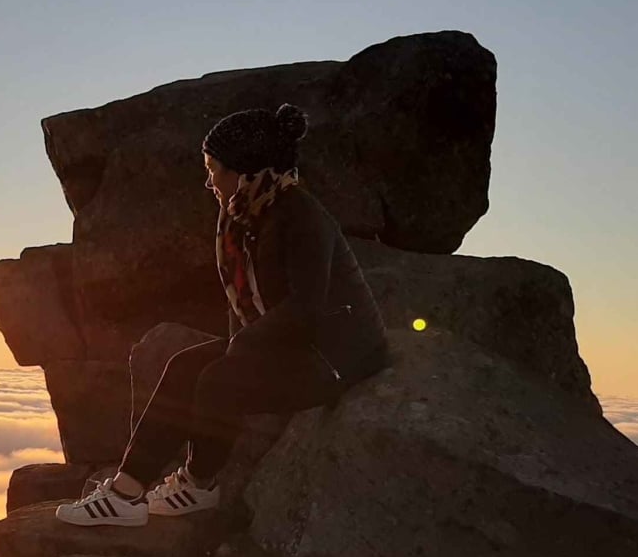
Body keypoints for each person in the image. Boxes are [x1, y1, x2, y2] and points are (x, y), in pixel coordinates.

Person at [55, 103, 391, 527]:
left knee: (218, 381)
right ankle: (126, 491)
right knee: (184, 365)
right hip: (290, 342)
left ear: (247, 173)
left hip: (335, 355)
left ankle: (199, 485)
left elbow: (306, 309)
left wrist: (242, 350)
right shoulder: (246, 214)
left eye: (216, 169)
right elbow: (246, 300)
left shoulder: (302, 216)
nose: (210, 180)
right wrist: (240, 344)